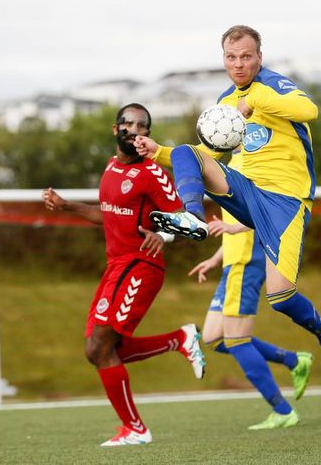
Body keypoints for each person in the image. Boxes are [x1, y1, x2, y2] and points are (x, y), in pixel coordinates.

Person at [134, 25, 321, 409]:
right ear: (223, 60)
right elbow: (209, 154)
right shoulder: (225, 100)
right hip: (247, 190)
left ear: (259, 57)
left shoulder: (273, 85)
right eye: (231, 58)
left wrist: (256, 103)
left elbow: (309, 110)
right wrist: (158, 153)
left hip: (285, 201)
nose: (239, 64)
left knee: (281, 297)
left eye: (246, 56)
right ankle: (192, 216)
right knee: (188, 151)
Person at [42, 103, 205, 447]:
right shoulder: (111, 167)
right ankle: (180, 339)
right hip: (117, 265)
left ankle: (136, 429)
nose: (135, 130)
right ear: (116, 130)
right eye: (128, 124)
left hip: (142, 265)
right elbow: (108, 214)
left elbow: (191, 221)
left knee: (101, 345)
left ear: (148, 133)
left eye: (142, 126)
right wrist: (68, 206)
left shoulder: (153, 172)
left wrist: (164, 235)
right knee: (95, 350)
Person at [188, 148, 313, 430]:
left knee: (236, 340)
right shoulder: (230, 162)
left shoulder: (254, 161)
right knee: (213, 336)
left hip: (246, 262)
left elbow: (269, 210)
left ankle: (282, 410)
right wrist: (215, 258)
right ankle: (294, 361)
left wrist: (235, 231)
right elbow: (234, 220)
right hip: (232, 262)